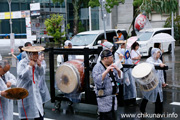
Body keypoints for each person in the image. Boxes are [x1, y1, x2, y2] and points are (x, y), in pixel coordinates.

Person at [92, 50, 123, 120]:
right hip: (104, 98)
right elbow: (97, 81)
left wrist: (118, 72)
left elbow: (119, 81)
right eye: (111, 57)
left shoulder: (111, 66)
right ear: (105, 58)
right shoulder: (97, 67)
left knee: (113, 116)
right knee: (105, 116)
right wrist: (106, 71)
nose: (113, 59)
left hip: (113, 97)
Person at [17, 46, 45, 120]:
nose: (36, 56)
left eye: (37, 54)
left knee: (39, 112)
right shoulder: (22, 63)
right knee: (26, 113)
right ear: (29, 54)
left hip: (35, 91)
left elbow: (41, 73)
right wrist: (29, 66)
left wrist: (39, 66)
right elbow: (21, 75)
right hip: (26, 91)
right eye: (34, 54)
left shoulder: (37, 62)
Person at [140, 48, 167, 114]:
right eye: (158, 52)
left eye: (159, 52)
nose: (159, 54)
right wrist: (158, 65)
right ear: (153, 53)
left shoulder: (159, 61)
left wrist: (163, 82)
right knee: (147, 96)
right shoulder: (149, 60)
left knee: (159, 96)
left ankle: (158, 112)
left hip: (158, 83)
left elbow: (161, 73)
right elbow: (151, 65)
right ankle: (142, 109)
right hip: (150, 82)